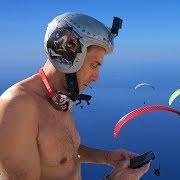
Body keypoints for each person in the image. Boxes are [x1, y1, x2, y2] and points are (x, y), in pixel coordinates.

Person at [0, 12, 149, 179]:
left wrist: (107, 158)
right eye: (94, 65)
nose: (97, 77)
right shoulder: (18, 107)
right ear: (67, 55)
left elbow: (61, 152)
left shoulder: (58, 99)